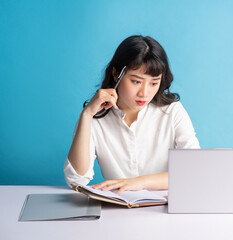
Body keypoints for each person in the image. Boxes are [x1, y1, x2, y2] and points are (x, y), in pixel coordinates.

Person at [64, 35, 200, 195]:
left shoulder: (172, 111)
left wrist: (138, 183)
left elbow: (194, 171)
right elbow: (76, 179)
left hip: (165, 210)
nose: (144, 93)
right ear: (116, 74)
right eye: (136, 81)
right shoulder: (95, 118)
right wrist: (86, 115)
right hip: (118, 211)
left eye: (154, 83)